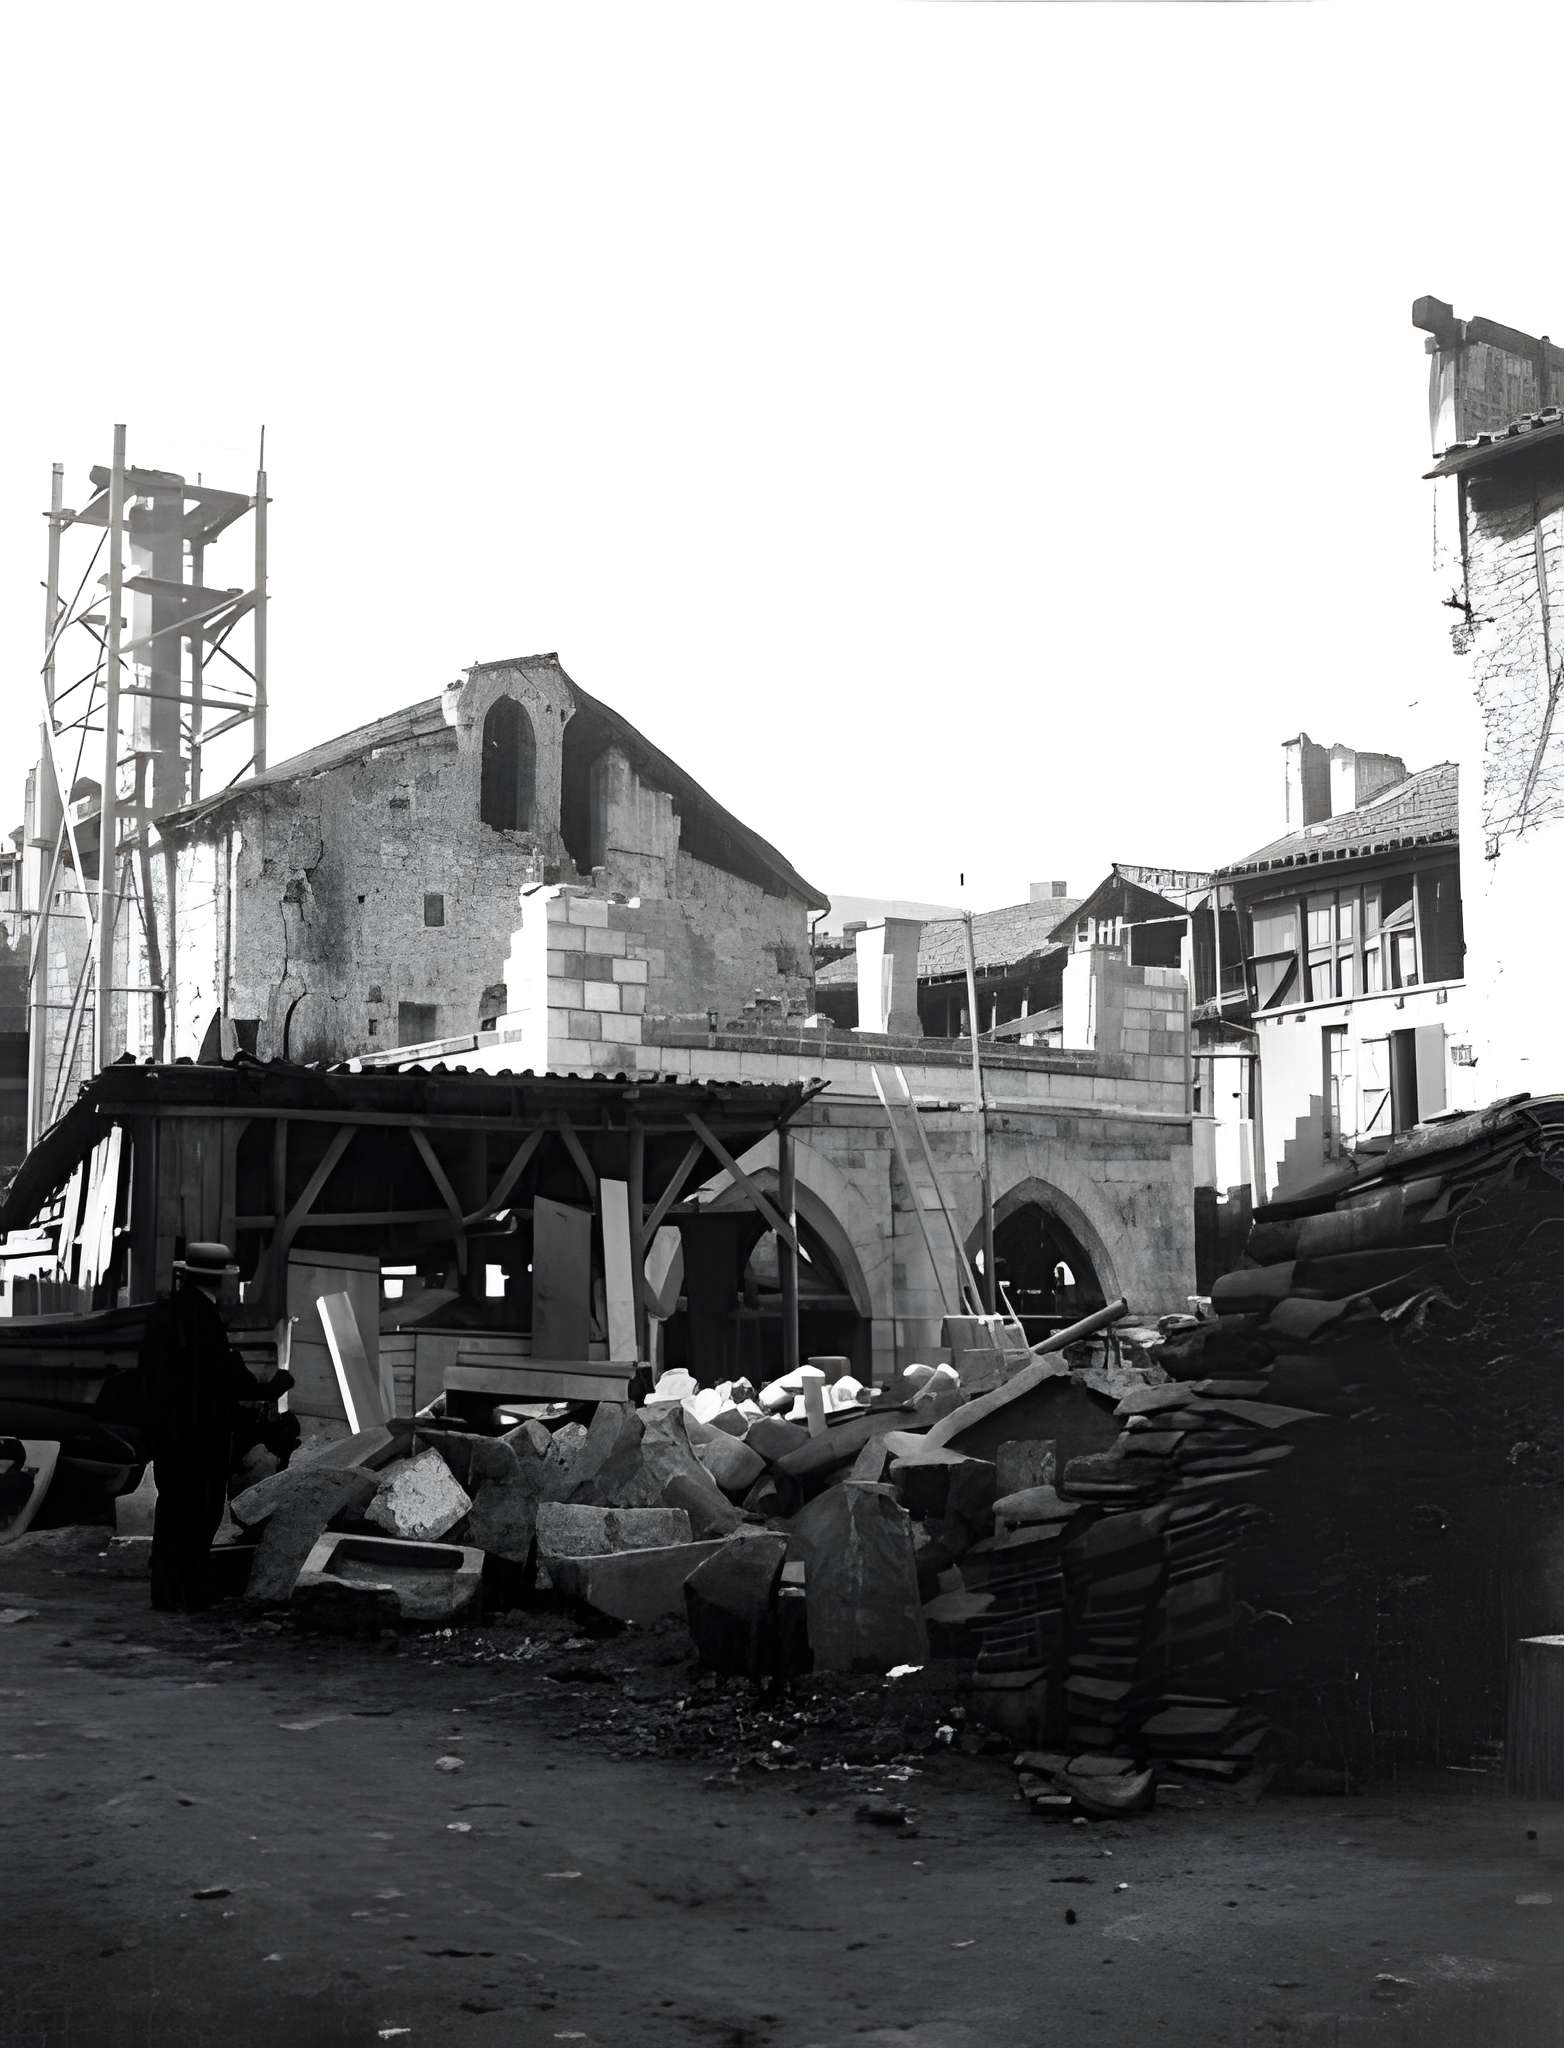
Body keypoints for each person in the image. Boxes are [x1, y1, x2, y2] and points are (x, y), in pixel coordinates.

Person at [135, 1243, 294, 1613]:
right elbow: (222, 1378)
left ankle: (167, 1591)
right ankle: (187, 1592)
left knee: (172, 1511)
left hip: (167, 1435)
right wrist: (272, 1387)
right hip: (199, 1438)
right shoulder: (204, 1321)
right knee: (198, 1514)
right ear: (220, 1282)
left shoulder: (166, 1314)